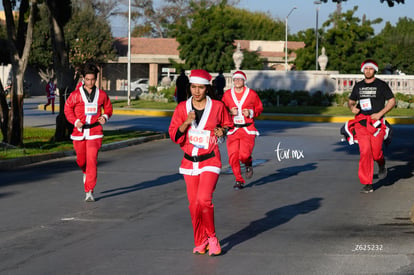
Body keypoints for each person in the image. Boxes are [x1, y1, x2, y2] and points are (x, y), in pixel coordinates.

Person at [168, 69, 232, 256]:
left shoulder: (218, 107)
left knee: (204, 200)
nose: (197, 91)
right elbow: (174, 135)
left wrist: (222, 132)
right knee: (194, 205)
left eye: (201, 87)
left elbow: (227, 125)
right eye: (194, 87)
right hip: (189, 163)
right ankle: (200, 240)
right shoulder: (182, 108)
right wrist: (186, 122)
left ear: (207, 88)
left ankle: (212, 237)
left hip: (210, 159)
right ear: (190, 87)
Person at [64, 63, 113, 202]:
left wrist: (105, 116)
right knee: (81, 160)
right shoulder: (75, 95)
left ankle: (89, 190)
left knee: (92, 160)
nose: (90, 82)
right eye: (87, 79)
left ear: (96, 79)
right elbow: (67, 110)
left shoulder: (102, 95)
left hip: (95, 132)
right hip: (79, 132)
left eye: (93, 79)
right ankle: (85, 172)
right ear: (83, 79)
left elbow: (108, 109)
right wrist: (75, 121)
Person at [348, 59, 395, 193]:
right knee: (365, 152)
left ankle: (381, 163)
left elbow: (392, 101)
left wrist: (380, 114)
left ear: (375, 70)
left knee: (375, 153)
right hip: (361, 123)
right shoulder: (358, 86)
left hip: (376, 124)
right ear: (363, 70)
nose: (368, 71)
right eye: (366, 69)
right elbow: (351, 101)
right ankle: (367, 183)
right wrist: (352, 108)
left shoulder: (381, 85)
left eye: (371, 69)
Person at [221, 71, 263, 190]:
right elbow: (222, 109)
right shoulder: (227, 94)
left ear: (244, 81)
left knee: (244, 155)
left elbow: (259, 108)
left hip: (247, 129)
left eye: (240, 79)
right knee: (233, 156)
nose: (238, 81)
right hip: (233, 129)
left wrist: (250, 112)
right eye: (235, 79)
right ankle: (239, 179)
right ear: (233, 81)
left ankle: (248, 163)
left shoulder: (252, 94)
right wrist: (230, 112)